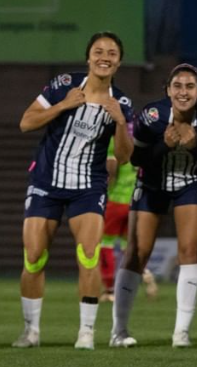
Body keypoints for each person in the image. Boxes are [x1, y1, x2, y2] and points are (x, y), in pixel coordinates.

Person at [14, 32, 134, 350]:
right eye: (99, 51)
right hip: (46, 182)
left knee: (89, 255)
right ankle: (31, 331)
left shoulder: (121, 103)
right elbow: (26, 122)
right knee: (34, 257)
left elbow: (124, 157)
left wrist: (119, 123)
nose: (104, 57)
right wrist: (63, 105)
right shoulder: (64, 84)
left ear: (119, 62)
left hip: (87, 187)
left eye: (112, 53)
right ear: (88, 57)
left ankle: (86, 333)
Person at [110, 63, 197, 348]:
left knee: (190, 252)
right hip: (152, 183)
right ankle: (118, 331)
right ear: (167, 90)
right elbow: (137, 159)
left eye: (190, 87)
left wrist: (196, 147)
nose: (183, 92)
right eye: (177, 86)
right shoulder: (152, 115)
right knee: (136, 253)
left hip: (191, 183)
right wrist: (163, 145)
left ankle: (181, 333)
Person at [98, 132, 159, 303]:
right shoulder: (142, 142)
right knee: (129, 247)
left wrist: (103, 192)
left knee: (106, 244)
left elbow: (111, 171)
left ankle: (109, 289)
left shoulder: (114, 141)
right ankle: (145, 274)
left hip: (116, 200)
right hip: (134, 203)